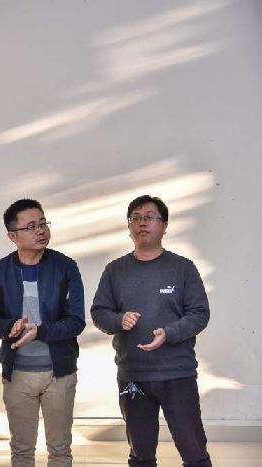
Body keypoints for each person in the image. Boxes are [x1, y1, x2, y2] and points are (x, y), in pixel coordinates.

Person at [91, 195, 212, 467]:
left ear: (164, 225)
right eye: (135, 218)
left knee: (194, 454)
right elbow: (99, 313)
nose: (141, 223)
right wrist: (119, 320)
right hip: (133, 376)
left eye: (149, 217)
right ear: (129, 226)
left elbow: (199, 314)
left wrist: (169, 333)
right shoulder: (115, 270)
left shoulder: (183, 268)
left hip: (177, 374)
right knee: (141, 455)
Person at [0, 199, 85, 467]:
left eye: (42, 223)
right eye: (31, 226)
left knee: (60, 450)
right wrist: (10, 326)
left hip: (59, 373)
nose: (40, 230)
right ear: (12, 236)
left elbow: (76, 321)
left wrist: (40, 331)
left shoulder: (66, 266)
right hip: (17, 373)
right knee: (22, 450)